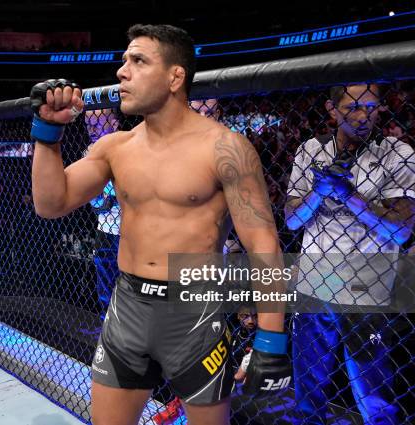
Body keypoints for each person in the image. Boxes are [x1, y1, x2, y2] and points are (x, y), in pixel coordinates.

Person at [31, 24, 290, 425]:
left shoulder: (225, 149)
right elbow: (51, 203)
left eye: (138, 61)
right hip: (128, 306)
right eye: (124, 61)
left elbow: (262, 243)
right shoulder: (115, 147)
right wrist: (48, 134)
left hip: (195, 310)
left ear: (175, 77)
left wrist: (271, 338)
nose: (122, 71)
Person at [285, 83, 415, 424]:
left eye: (372, 107)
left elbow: (402, 230)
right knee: (308, 384)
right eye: (353, 108)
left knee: (372, 389)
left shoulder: (398, 153)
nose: (364, 117)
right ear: (332, 110)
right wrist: (318, 192)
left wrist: (348, 196)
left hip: (367, 286)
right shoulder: (311, 150)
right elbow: (292, 220)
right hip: (314, 282)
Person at [85, 109, 122, 326]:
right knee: (106, 289)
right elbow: (98, 206)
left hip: (132, 234)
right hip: (106, 232)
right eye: (88, 124)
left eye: (97, 123)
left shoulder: (129, 150)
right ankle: (107, 333)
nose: (92, 128)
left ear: (114, 124)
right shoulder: (89, 155)